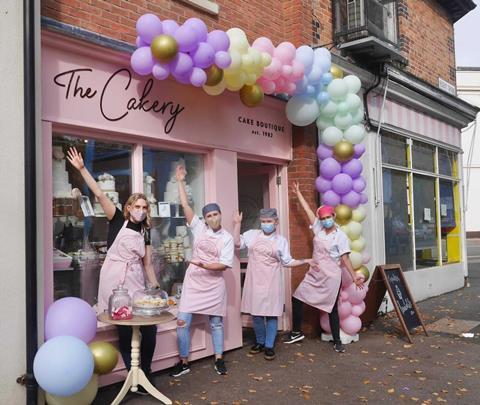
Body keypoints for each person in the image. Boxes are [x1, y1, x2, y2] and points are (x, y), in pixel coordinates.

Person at [67, 147, 160, 394]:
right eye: (137, 206)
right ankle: (133, 376)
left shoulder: (146, 231)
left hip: (136, 280)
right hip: (115, 281)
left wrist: (156, 288)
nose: (141, 210)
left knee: (149, 327)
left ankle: (145, 372)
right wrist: (82, 169)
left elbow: (147, 263)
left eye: (145, 207)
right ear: (129, 207)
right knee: (123, 326)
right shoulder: (117, 218)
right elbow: (98, 193)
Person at [169, 164, 234, 377]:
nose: (213, 218)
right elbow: (186, 205)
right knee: (181, 322)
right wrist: (180, 181)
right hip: (194, 284)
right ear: (204, 218)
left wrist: (201, 264)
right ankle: (184, 361)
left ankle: (219, 359)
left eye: (216, 214)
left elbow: (223, 265)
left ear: (220, 215)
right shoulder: (198, 227)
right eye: (209, 215)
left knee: (216, 324)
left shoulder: (227, 238)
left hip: (214, 285)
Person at [284, 181, 364, 353]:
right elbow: (307, 212)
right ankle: (296, 332)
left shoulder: (340, 236)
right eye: (323, 218)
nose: (326, 221)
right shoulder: (319, 229)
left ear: (334, 216)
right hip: (315, 274)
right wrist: (298, 194)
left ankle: (337, 341)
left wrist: (354, 277)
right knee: (296, 299)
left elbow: (345, 258)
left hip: (331, 276)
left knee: (331, 308)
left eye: (328, 217)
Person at [233, 208, 312, 360]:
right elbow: (237, 243)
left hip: (271, 282)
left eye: (269, 221)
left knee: (271, 315)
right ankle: (260, 342)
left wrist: (305, 261)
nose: (265, 224)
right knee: (255, 314)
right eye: (263, 221)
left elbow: (287, 262)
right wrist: (237, 224)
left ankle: (269, 346)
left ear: (276, 222)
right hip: (254, 281)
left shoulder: (281, 241)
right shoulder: (251, 235)